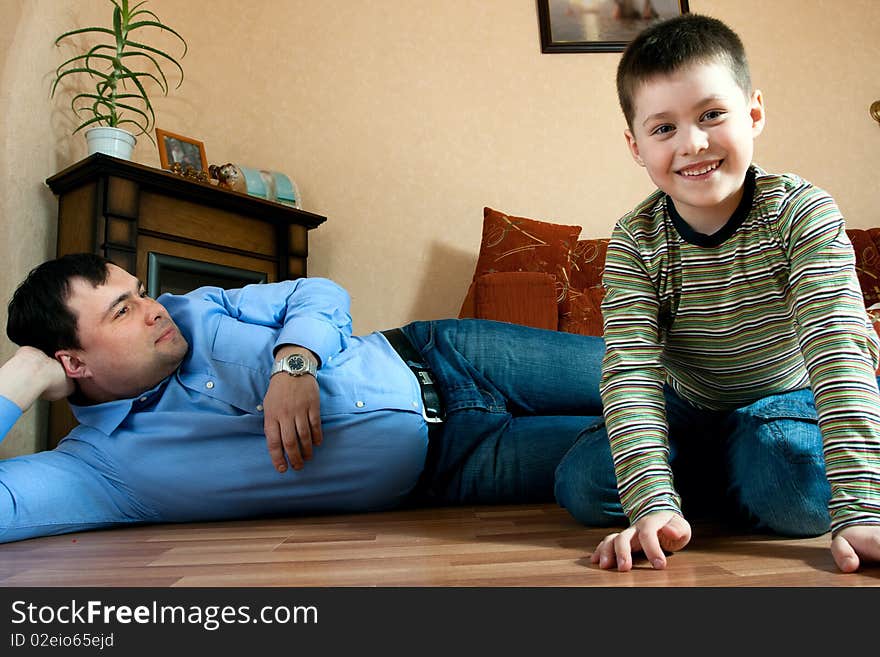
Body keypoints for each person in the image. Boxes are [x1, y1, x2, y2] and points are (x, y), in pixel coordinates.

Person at [553, 13, 880, 574]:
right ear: (635, 145)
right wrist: (650, 503)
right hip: (689, 405)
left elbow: (838, 350)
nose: (694, 144)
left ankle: (727, 474)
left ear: (753, 113)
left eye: (711, 115)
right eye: (663, 129)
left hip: (783, 398)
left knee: (791, 484)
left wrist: (861, 508)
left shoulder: (802, 213)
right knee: (582, 485)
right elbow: (630, 368)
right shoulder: (636, 237)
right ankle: (687, 491)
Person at [0, 253, 606, 544]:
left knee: (659, 383)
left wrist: (295, 366)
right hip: (462, 463)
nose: (153, 306)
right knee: (611, 472)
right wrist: (21, 380)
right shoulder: (101, 471)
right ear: (72, 363)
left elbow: (320, 292)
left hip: (449, 354)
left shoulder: (196, 305)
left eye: (139, 290)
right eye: (123, 309)